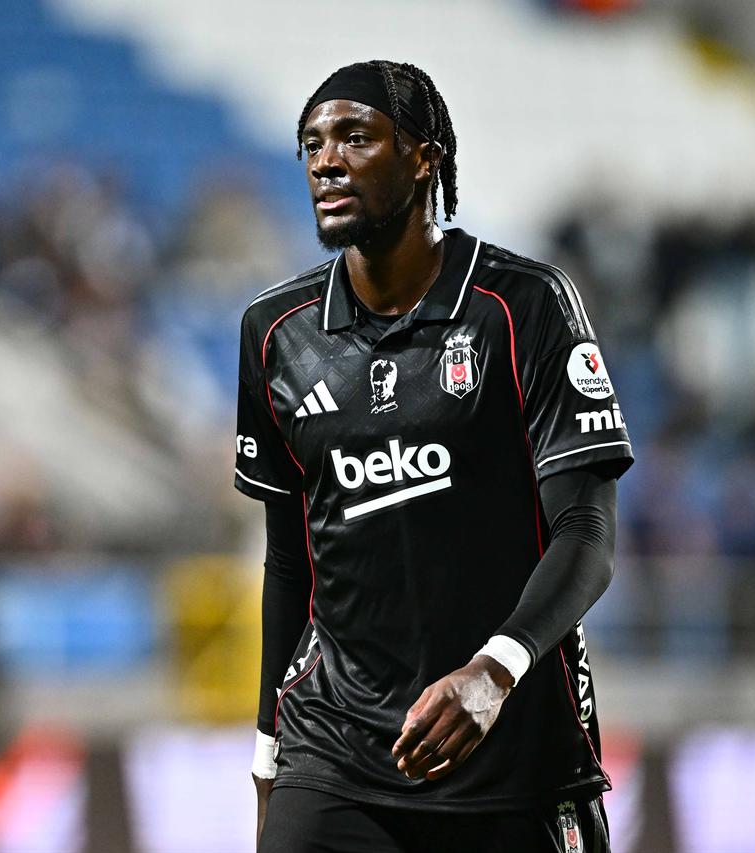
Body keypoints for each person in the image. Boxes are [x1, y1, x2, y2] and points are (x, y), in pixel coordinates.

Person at [235, 60, 633, 853]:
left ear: (424, 157)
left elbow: (586, 531)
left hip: (510, 749)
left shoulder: (523, 306)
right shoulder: (276, 332)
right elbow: (290, 560)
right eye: (311, 143)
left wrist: (494, 668)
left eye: (355, 136)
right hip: (335, 752)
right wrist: (270, 746)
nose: (325, 159)